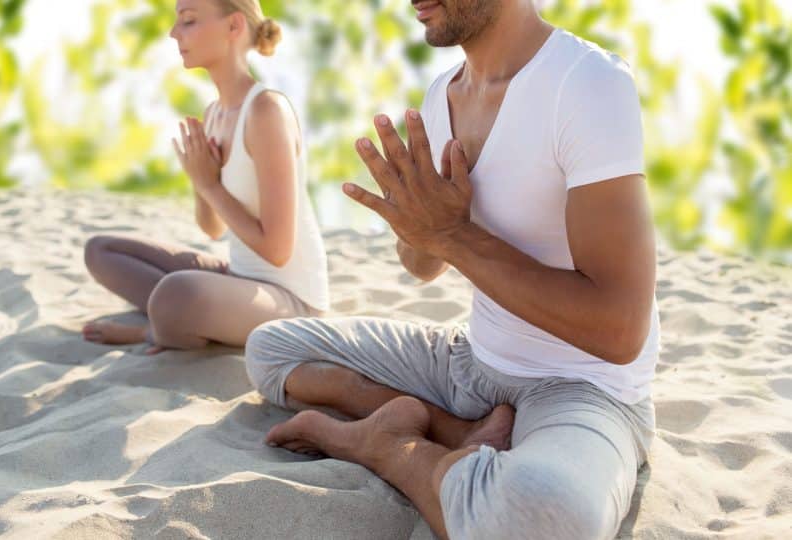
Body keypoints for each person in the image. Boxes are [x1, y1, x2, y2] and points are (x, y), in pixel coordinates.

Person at [245, 1, 660, 538]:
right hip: (470, 362)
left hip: (582, 387)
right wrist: (421, 229)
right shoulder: (442, 96)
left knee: (549, 519)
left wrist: (453, 235)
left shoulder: (586, 83)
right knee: (272, 350)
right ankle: (457, 431)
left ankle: (389, 448)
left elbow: (620, 329)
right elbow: (422, 266)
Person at [83, 0, 328, 353]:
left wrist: (210, 185)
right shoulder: (214, 113)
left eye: (188, 21)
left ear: (233, 28)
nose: (173, 33)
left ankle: (149, 331)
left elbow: (277, 250)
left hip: (292, 299)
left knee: (175, 293)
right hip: (240, 279)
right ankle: (177, 316)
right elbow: (212, 229)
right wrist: (201, 182)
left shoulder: (266, 111)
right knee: (101, 251)